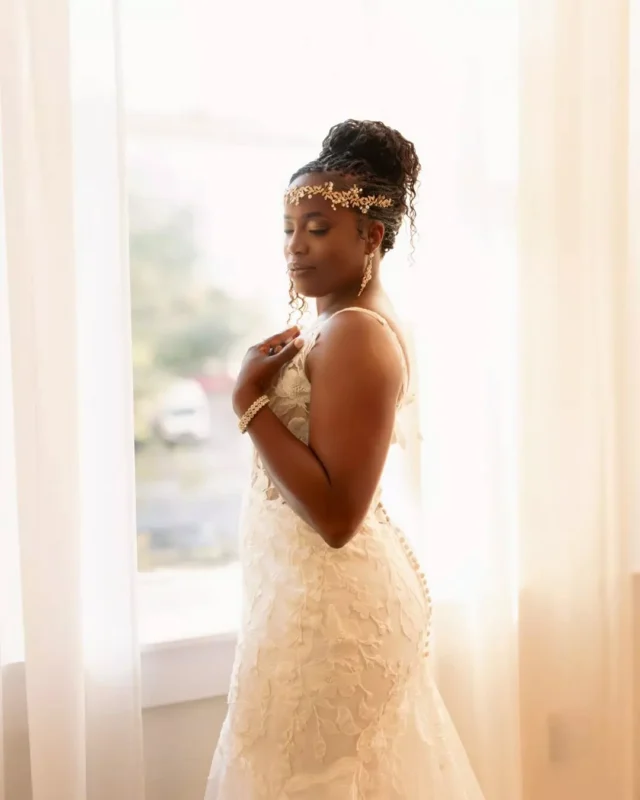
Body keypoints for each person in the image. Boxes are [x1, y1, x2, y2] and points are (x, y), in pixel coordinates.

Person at [206, 120, 485, 799]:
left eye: (318, 227)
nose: (294, 247)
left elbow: (336, 515)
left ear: (371, 237)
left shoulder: (357, 332)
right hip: (304, 596)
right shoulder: (337, 322)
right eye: (288, 226)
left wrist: (249, 404)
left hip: (329, 611)